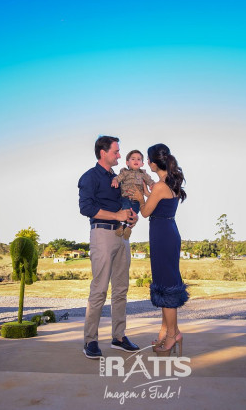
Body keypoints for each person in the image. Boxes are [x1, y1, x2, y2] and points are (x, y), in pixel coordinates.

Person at [78, 135, 140, 359]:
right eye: (116, 151)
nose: (119, 155)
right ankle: (90, 341)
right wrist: (116, 215)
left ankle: (119, 337)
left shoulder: (119, 178)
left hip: (122, 235)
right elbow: (86, 208)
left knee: (121, 289)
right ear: (103, 153)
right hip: (102, 234)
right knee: (100, 289)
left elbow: (125, 204)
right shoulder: (89, 177)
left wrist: (131, 217)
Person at [129, 143, 189, 357]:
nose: (146, 163)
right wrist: (147, 192)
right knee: (166, 283)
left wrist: (140, 198)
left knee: (166, 285)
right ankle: (166, 331)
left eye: (148, 159)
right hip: (168, 232)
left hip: (162, 235)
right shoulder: (168, 183)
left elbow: (146, 212)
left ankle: (173, 335)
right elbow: (157, 199)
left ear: (155, 163)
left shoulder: (161, 186)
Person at [111, 149, 155, 239]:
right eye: (133, 159)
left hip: (137, 200)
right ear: (127, 162)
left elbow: (150, 181)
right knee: (126, 210)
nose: (136, 161)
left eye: (139, 159)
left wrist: (152, 185)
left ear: (142, 164)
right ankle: (121, 226)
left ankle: (128, 228)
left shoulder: (143, 173)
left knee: (133, 213)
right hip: (126, 197)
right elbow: (118, 178)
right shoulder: (125, 172)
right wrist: (115, 181)